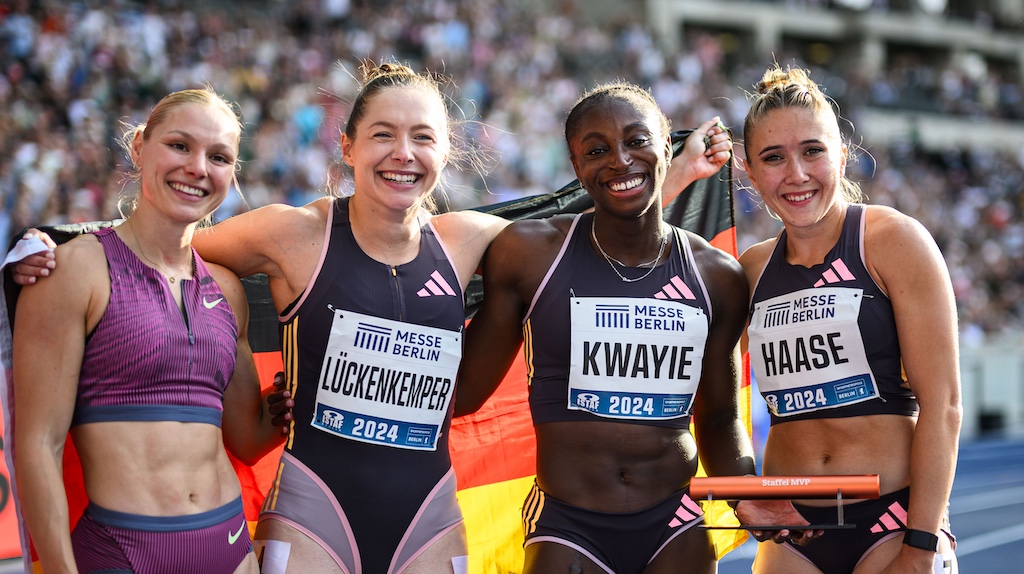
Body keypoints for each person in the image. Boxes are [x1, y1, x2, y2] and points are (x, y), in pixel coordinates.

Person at [7, 62, 733, 573]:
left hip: (427, 516)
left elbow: (576, 214)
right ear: (347, 147)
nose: (403, 153)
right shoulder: (292, 234)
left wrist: (674, 175)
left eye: (423, 138)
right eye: (382, 134)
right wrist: (63, 241)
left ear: (445, 156)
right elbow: (173, 241)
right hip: (313, 511)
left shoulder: (469, 240)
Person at [453, 82, 806, 574]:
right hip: (566, 523)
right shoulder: (530, 254)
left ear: (666, 147)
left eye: (637, 141)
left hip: (674, 524)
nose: (620, 161)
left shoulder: (716, 276)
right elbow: (463, 392)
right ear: (577, 168)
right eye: (597, 150)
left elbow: (721, 418)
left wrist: (745, 493)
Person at [10, 88, 288, 573]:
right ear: (139, 146)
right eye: (180, 145)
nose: (198, 167)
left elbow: (246, 439)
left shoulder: (227, 289)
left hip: (232, 550)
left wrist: (292, 402)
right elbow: (37, 445)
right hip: (123, 555)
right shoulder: (74, 271)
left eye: (218, 156)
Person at [737, 64, 961, 574]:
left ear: (842, 154)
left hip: (893, 521)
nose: (795, 174)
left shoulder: (893, 241)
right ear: (750, 173)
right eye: (773, 158)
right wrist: (740, 489)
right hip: (793, 532)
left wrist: (922, 544)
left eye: (812, 151)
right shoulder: (749, 270)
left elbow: (944, 405)